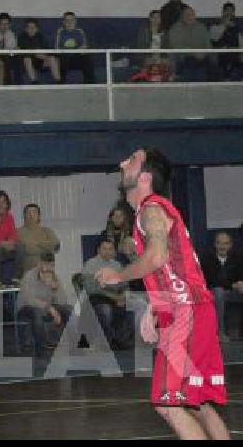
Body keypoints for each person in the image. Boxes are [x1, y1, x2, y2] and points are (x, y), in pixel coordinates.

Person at [96, 148, 229, 440]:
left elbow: (156, 257)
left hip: (187, 313)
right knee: (199, 405)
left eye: (130, 160)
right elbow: (173, 269)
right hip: (193, 307)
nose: (121, 163)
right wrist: (154, 307)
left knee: (167, 405)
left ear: (144, 177)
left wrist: (117, 275)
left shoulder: (151, 209)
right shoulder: (156, 209)